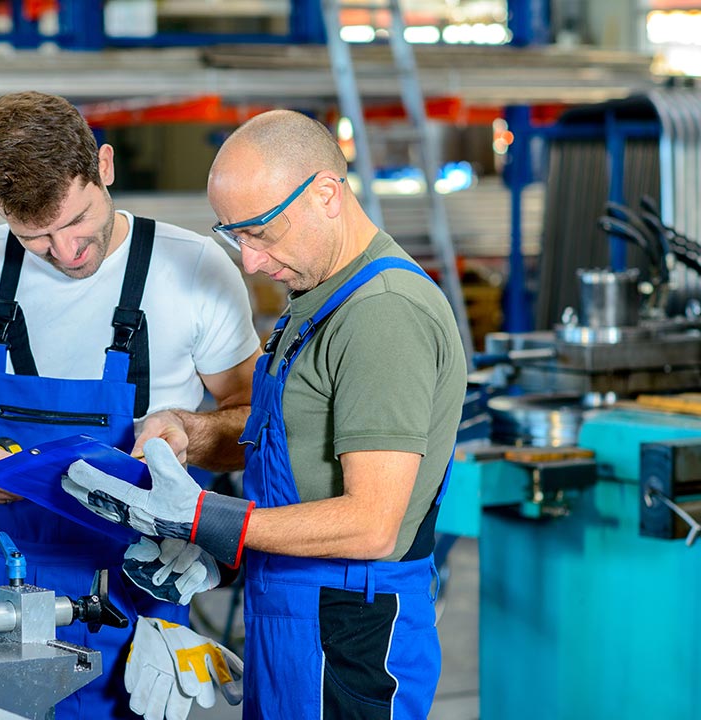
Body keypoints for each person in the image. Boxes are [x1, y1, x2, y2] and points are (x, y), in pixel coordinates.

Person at [63, 109, 468, 719]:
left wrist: (205, 519)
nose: (248, 262)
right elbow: (290, 441)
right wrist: (197, 436)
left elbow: (372, 524)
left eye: (260, 233)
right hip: (292, 607)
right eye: (234, 236)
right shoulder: (320, 294)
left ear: (326, 195)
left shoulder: (382, 315)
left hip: (347, 630)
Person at [0, 91, 261, 719]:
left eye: (76, 221)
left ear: (106, 167)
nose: (66, 252)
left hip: (135, 595)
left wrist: (189, 435)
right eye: (34, 236)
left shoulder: (194, 267)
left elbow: (254, 421)